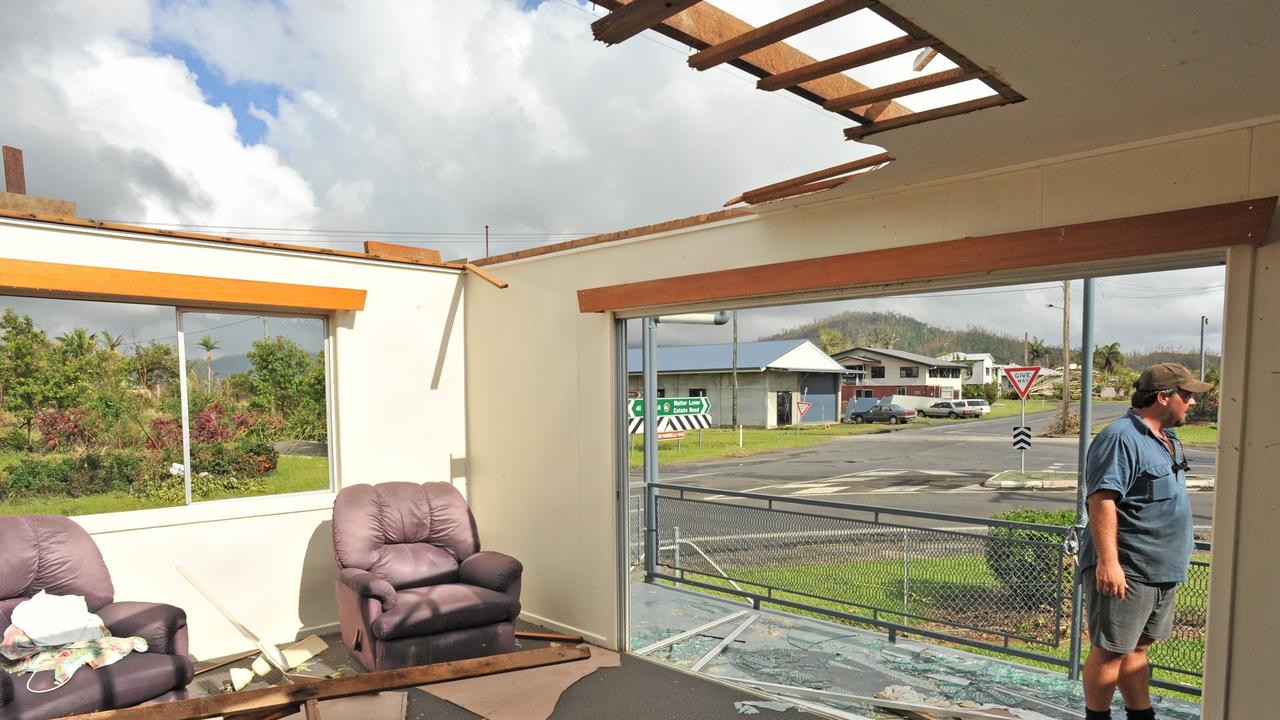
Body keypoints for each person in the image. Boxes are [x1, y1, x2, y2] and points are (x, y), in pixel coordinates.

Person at [1078, 363, 1211, 720]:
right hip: (1129, 568)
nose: (1192, 402)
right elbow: (1102, 499)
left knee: (1136, 648)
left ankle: (1141, 715)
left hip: (1161, 567)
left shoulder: (1168, 438)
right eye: (1187, 395)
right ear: (1164, 396)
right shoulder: (1120, 437)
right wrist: (1108, 562)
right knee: (1110, 650)